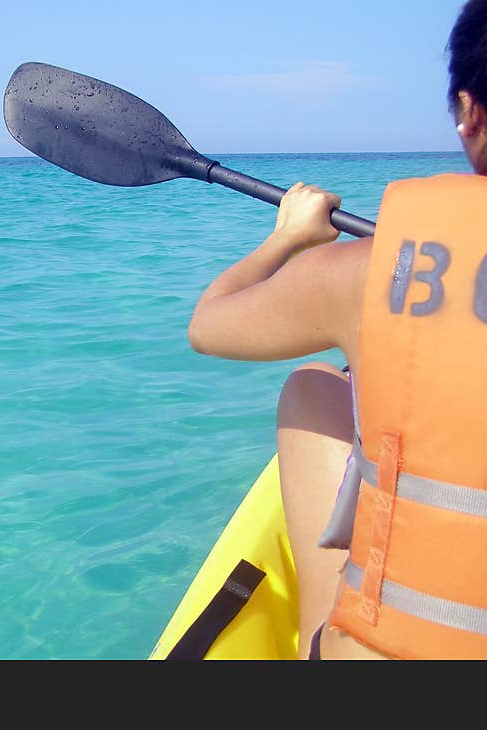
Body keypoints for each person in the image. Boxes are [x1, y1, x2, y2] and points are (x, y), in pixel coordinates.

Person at [187, 0, 487, 660]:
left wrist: (288, 239)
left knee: (314, 387)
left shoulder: (369, 270)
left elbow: (209, 325)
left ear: (469, 111)